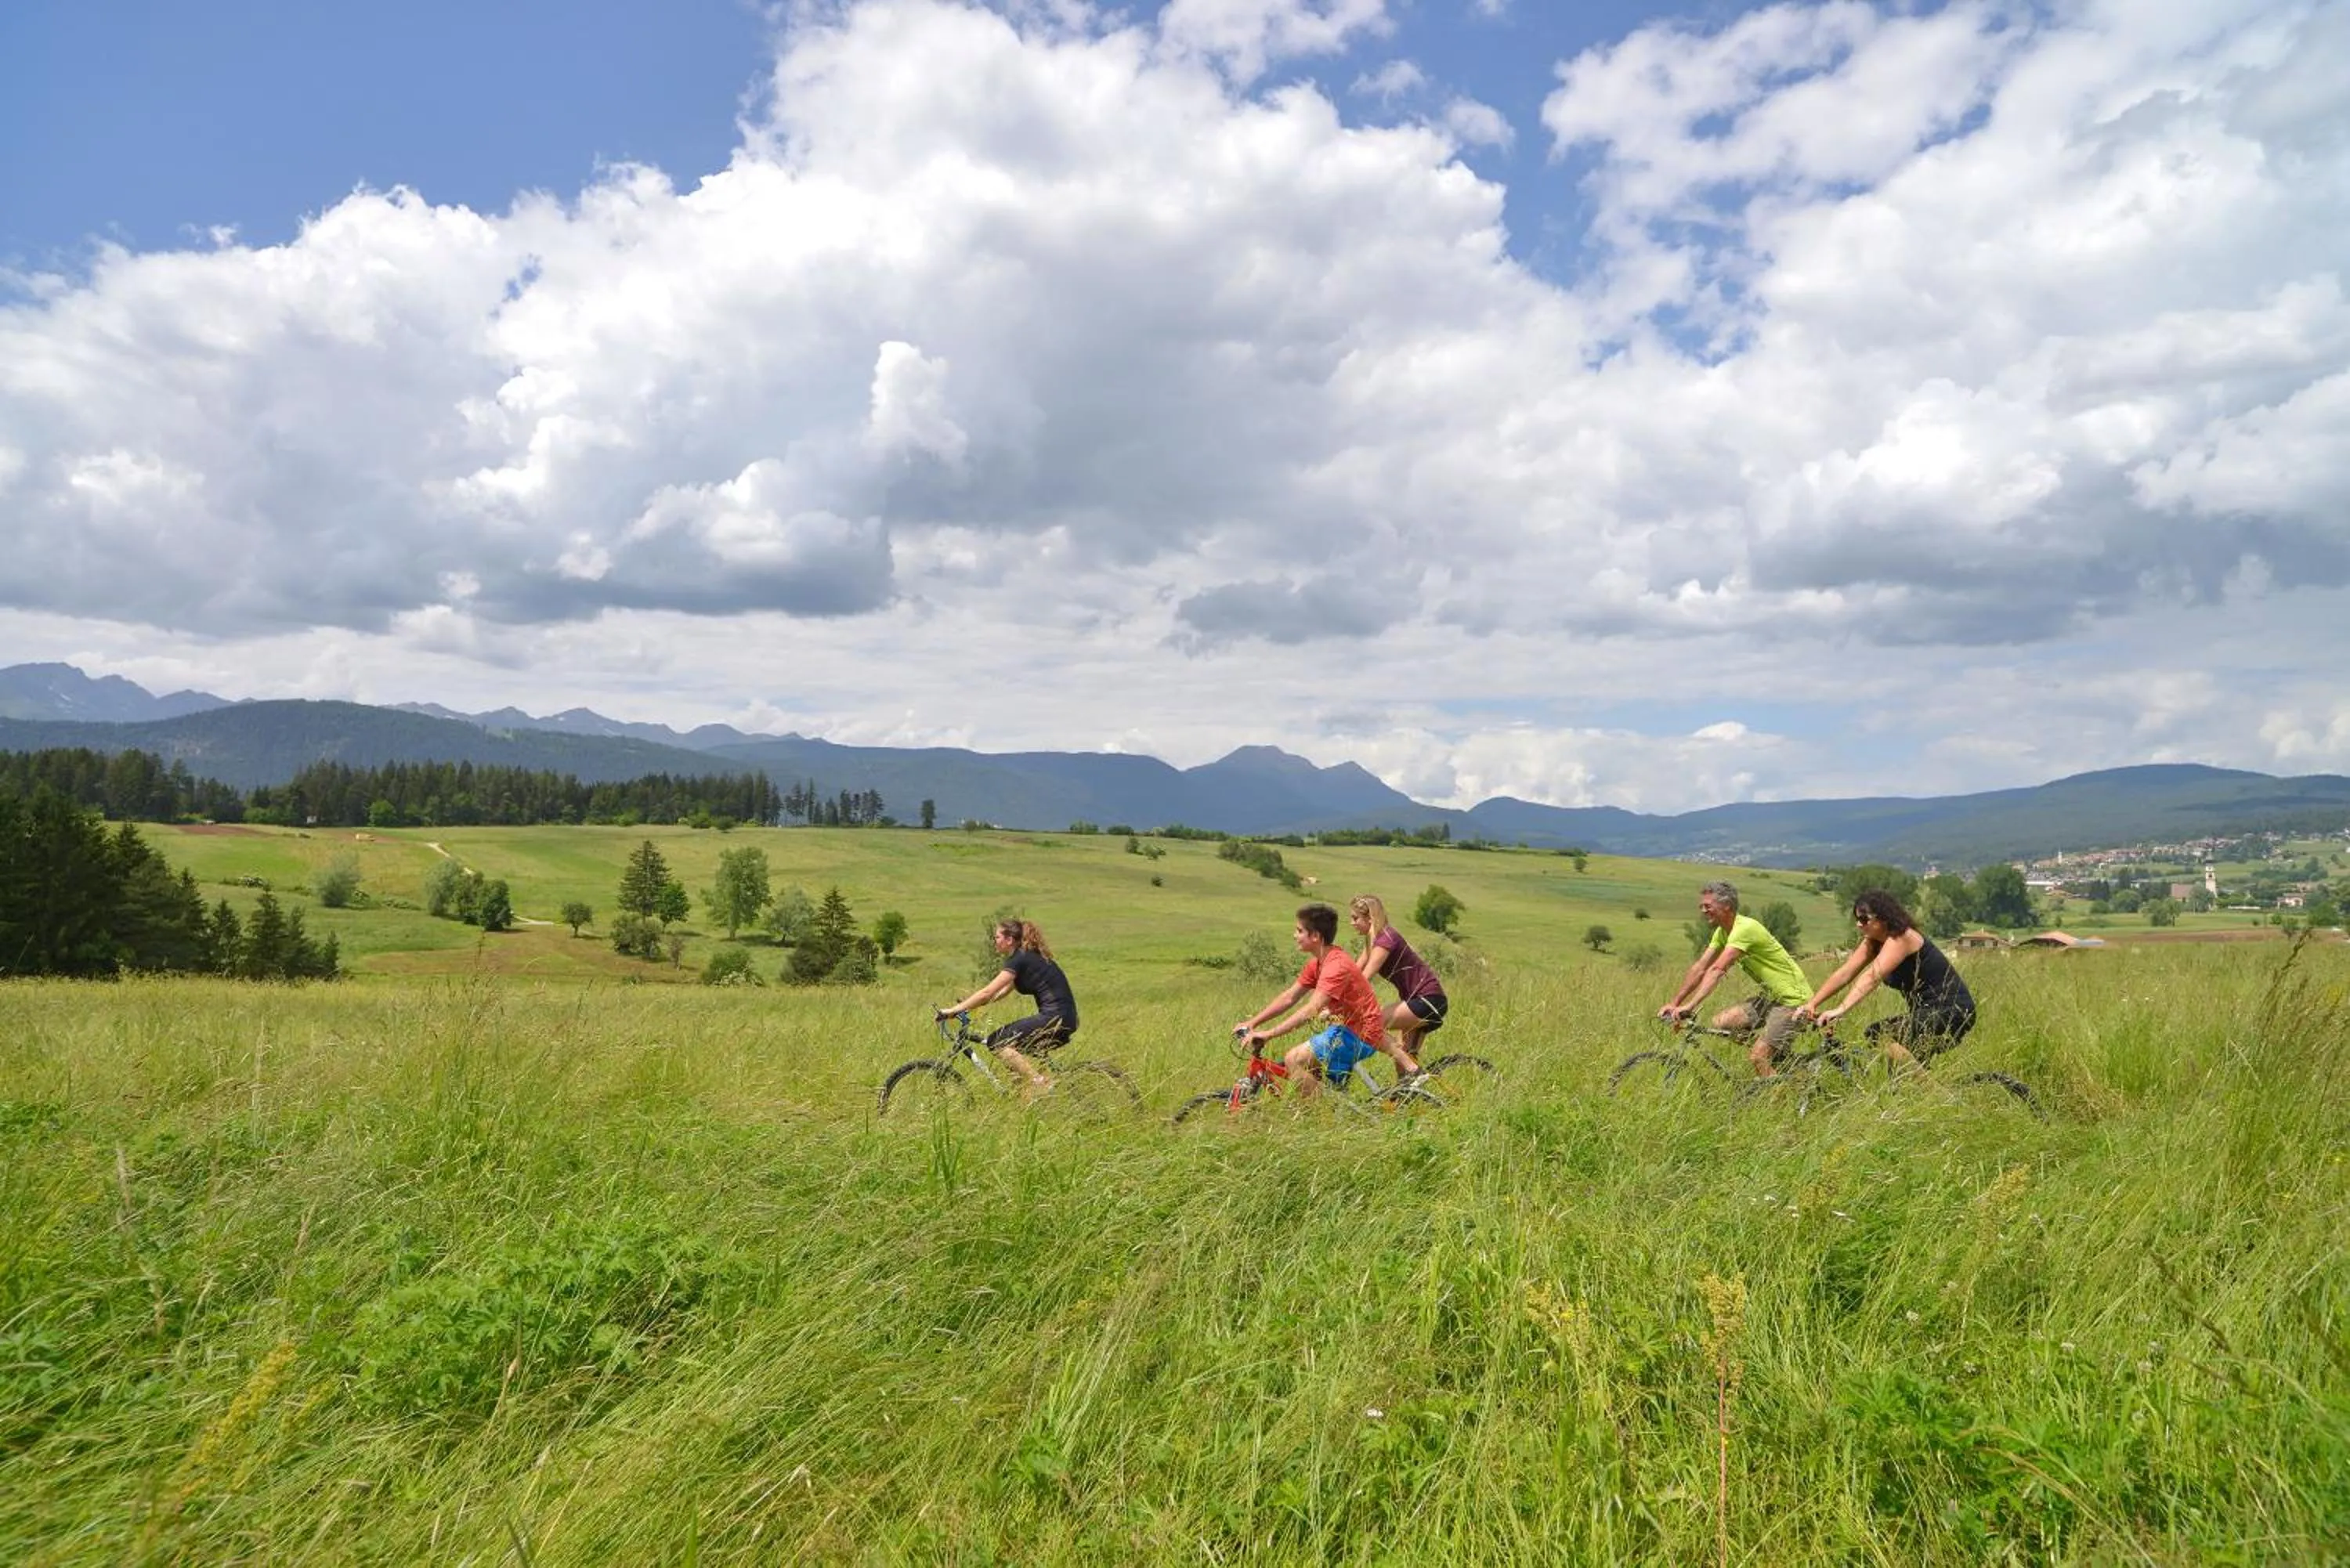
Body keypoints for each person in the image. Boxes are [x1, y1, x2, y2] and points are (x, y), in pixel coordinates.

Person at [1798, 890, 1977, 1068]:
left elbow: (1872, 976)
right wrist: (1812, 1004)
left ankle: (1937, 1094)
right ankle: (1922, 1089)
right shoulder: (1873, 942)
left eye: (1864, 919)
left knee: (1878, 1034)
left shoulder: (1902, 938)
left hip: (1952, 1011)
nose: (1859, 925)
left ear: (1883, 917)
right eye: (1857, 920)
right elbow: (1845, 973)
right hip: (1925, 1012)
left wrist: (1840, 1010)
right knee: (1896, 1071)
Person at [1234, 903, 1390, 1100]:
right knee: (1308, 1066)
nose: (1294, 935)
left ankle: (1321, 1119)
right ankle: (1328, 1107)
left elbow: (1311, 1010)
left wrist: (1269, 1034)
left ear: (1315, 936)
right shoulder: (1318, 962)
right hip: (1346, 1029)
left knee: (1294, 1059)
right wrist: (1253, 1023)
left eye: (1299, 931)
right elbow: (1289, 997)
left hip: (1361, 1035)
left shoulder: (1336, 966)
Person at [1658, 879, 1811, 1075]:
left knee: (1758, 1056)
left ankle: (1781, 1101)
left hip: (1794, 1001)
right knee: (1722, 1022)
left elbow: (1717, 970)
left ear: (1727, 906)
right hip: (1773, 1000)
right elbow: (1700, 967)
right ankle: (1783, 1063)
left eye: (1708, 906)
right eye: (1701, 907)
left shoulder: (1744, 929)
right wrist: (1675, 1002)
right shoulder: (1723, 932)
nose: (1703, 911)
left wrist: (1690, 1006)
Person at [937, 918, 1077, 1103]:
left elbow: (987, 992)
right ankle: (1025, 1103)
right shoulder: (1028, 957)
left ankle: (1040, 1082)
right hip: (1065, 1017)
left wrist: (953, 1011)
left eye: (997, 937)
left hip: (1055, 1017)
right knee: (1012, 1054)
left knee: (997, 1042)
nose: (995, 941)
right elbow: (999, 993)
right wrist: (968, 1004)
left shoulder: (1019, 959)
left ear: (1009, 939)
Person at [1348, 894, 1441, 1075]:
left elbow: (1364, 978)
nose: (1352, 923)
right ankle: (1407, 1097)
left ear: (1370, 918)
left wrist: (1344, 1001)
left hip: (1427, 1000)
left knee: (1370, 1023)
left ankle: (1414, 1075)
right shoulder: (1374, 942)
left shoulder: (1386, 940)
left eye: (1355, 918)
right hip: (1419, 1001)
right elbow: (1354, 974)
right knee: (1402, 1057)